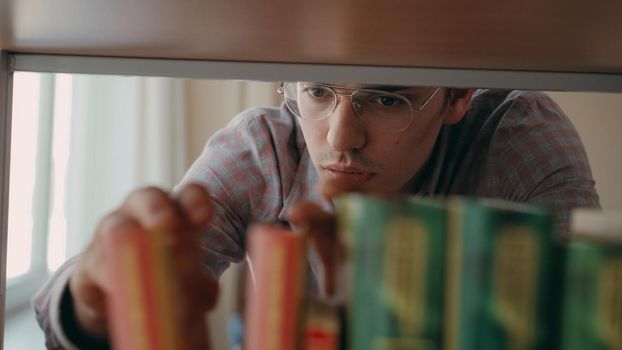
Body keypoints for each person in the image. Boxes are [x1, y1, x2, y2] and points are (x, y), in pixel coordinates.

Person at [32, 82, 600, 349]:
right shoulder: (266, 147)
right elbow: (79, 306)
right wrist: (90, 303)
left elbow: (590, 328)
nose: (341, 136)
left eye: (387, 99)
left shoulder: (516, 137)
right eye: (320, 91)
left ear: (456, 97)